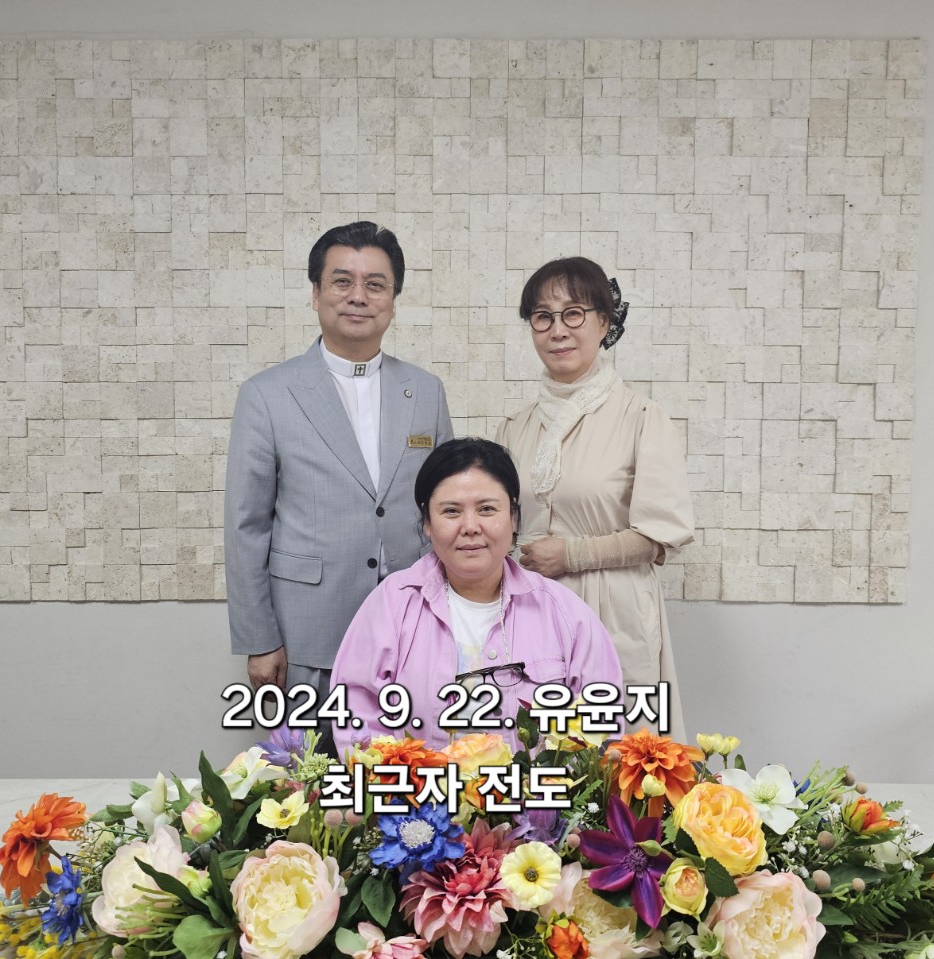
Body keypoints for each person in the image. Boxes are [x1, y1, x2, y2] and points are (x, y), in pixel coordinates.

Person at [224, 221, 454, 741]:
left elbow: (444, 506)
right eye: (342, 281)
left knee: (415, 773)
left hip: (413, 628)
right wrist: (259, 639)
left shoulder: (426, 390)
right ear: (316, 294)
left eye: (375, 284)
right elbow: (246, 526)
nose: (358, 296)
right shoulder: (268, 394)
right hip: (308, 634)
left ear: (393, 300)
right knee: (309, 780)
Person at [495, 258, 696, 741]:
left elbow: (660, 537)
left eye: (573, 313)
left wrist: (572, 555)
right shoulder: (515, 427)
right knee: (533, 751)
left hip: (614, 609)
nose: (557, 330)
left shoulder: (642, 417)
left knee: (622, 757)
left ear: (604, 323)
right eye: (542, 316)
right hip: (531, 610)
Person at [330, 438, 623, 753]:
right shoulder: (391, 604)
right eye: (451, 511)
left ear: (513, 516)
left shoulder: (564, 613)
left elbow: (600, 726)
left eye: (487, 509)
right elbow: (355, 718)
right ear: (427, 521)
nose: (470, 526)